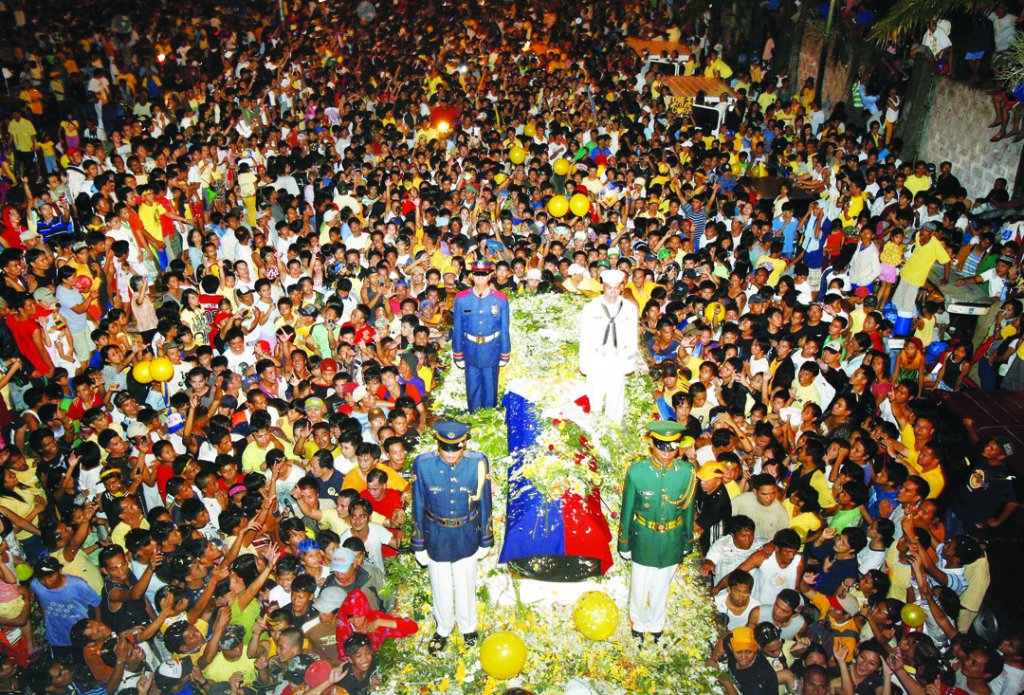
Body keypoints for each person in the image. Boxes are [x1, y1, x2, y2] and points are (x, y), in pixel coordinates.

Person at [410, 421, 493, 653]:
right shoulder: (423, 465)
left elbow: (485, 501)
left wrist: (486, 538)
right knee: (440, 584)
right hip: (436, 533)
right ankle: (443, 628)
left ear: (463, 444)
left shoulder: (477, 463)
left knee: (466, 582)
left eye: (455, 448)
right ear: (439, 444)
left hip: (466, 533)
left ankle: (468, 627)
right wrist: (418, 544)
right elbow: (418, 503)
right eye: (446, 448)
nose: (450, 454)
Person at [618, 421, 697, 643]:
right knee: (640, 586)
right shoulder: (637, 472)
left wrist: (687, 541)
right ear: (651, 443)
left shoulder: (687, 473)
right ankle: (638, 624)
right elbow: (627, 509)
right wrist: (624, 542)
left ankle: (656, 625)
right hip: (644, 536)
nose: (667, 453)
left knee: (662, 586)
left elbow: (688, 510)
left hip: (672, 537)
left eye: (672, 447)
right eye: (662, 446)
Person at [578, 269, 639, 424]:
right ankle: (594, 431)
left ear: (622, 287)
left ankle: (613, 433)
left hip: (618, 359)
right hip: (596, 358)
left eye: (617, 288)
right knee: (594, 400)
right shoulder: (591, 307)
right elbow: (585, 337)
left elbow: (632, 337)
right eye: (609, 288)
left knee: (615, 401)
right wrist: (584, 364)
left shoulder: (630, 309)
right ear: (602, 287)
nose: (613, 292)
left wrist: (629, 364)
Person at [452, 260, 511, 412]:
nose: (480, 279)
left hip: (491, 350)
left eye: (483, 275)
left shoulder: (500, 300)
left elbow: (504, 328)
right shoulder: (461, 299)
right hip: (470, 349)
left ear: (490, 276)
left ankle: (488, 419)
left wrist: (505, 352)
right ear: (472, 276)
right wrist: (458, 353)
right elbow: (458, 328)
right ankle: (474, 418)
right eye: (477, 275)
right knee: (473, 389)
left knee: (490, 389)